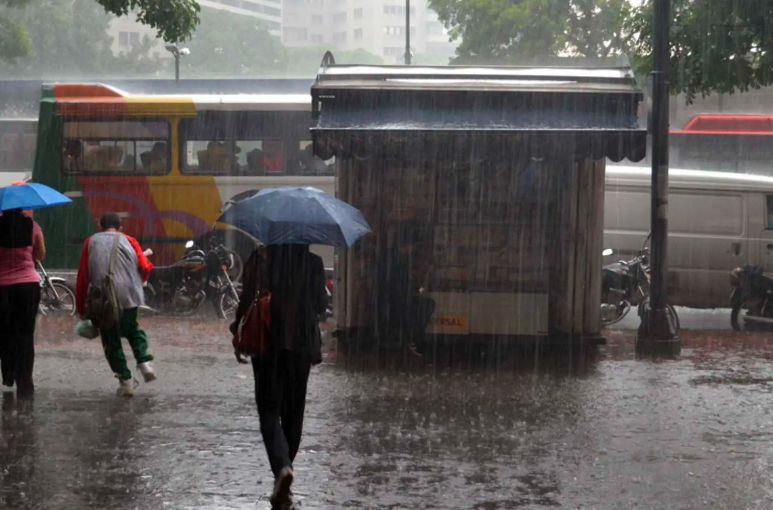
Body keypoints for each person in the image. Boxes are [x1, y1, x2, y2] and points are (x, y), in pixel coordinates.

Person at [231, 244, 327, 508]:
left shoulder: (260, 258)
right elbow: (321, 304)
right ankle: (284, 475)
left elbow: (246, 297)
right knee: (294, 413)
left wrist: (237, 329)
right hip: (302, 343)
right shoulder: (314, 263)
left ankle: (282, 469)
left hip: (268, 338)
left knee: (269, 410)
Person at [75, 213, 156, 398]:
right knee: (133, 330)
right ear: (120, 227)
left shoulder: (90, 242)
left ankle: (125, 381)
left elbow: (83, 276)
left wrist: (81, 307)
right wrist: (139, 280)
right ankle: (144, 362)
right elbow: (144, 266)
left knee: (110, 339)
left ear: (100, 225)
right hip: (129, 295)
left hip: (103, 298)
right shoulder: (130, 240)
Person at [0, 208, 45, 397]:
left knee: (5, 332)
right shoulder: (33, 227)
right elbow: (40, 255)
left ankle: (8, 374)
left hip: (2, 287)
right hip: (28, 286)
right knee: (25, 334)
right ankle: (25, 380)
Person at [378, 223, 436, 356]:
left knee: (425, 305)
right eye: (412, 246)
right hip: (394, 300)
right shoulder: (395, 259)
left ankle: (413, 339)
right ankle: (414, 339)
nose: (412, 250)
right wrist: (415, 289)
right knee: (427, 306)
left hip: (395, 298)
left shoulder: (393, 257)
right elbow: (396, 283)